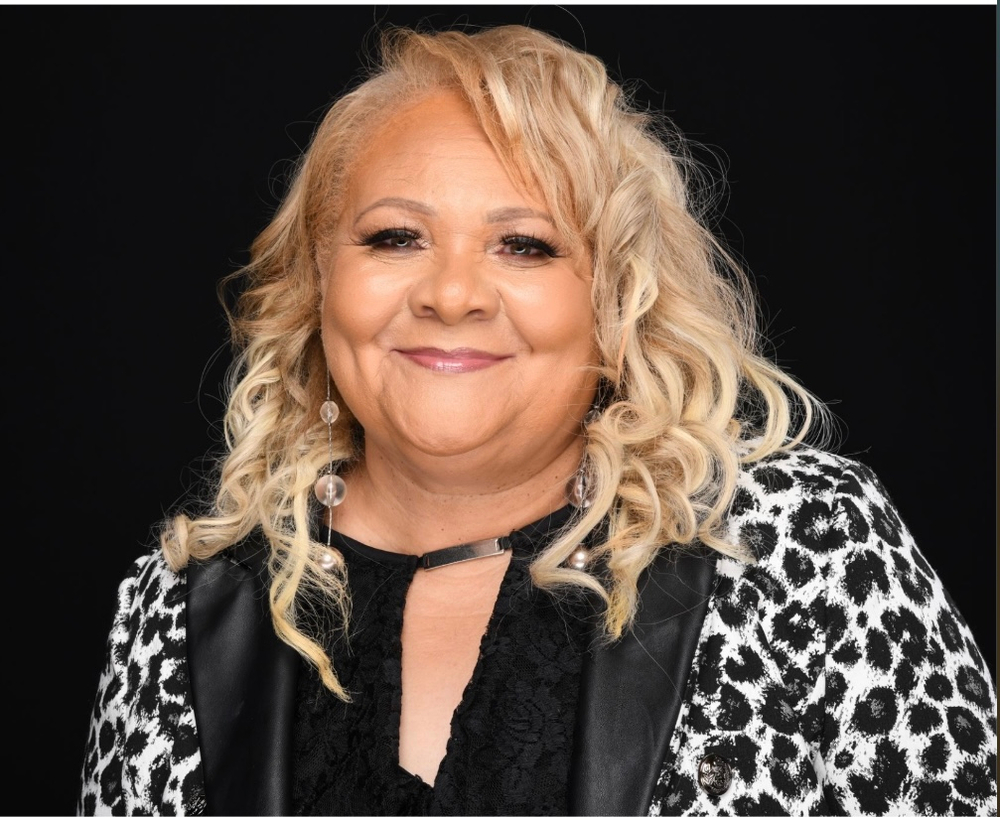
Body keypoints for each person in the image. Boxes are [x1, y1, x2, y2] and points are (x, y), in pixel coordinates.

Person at [77, 24, 996, 817]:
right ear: (320, 279)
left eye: (524, 245)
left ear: (616, 301)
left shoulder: (795, 542)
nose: (451, 294)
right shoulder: (176, 610)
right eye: (396, 236)